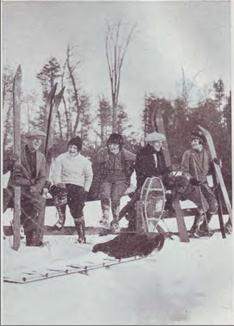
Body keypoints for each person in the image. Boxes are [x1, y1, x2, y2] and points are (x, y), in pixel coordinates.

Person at [3, 130, 47, 246]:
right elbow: (3, 169)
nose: (38, 141)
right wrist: (9, 162)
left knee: (39, 202)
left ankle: (33, 237)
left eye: (40, 139)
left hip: (31, 190)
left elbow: (42, 177)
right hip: (15, 188)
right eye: (35, 139)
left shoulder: (41, 157)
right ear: (28, 140)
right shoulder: (17, 152)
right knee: (4, 197)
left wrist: (37, 188)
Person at [121, 131, 171, 231]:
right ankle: (137, 224)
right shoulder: (143, 154)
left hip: (158, 183)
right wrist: (159, 174)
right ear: (151, 143)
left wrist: (167, 171)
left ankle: (156, 220)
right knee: (140, 202)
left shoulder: (160, 154)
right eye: (157, 142)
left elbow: (161, 169)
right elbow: (146, 171)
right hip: (145, 184)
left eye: (161, 142)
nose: (160, 145)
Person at [51, 136, 93, 243]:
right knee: (59, 194)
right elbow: (56, 173)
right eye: (70, 147)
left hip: (77, 185)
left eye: (74, 148)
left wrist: (86, 190)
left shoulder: (84, 161)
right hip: (63, 184)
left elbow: (89, 176)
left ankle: (81, 235)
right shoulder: (61, 158)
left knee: (77, 207)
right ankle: (61, 218)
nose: (72, 150)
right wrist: (58, 182)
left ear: (78, 150)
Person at [180, 129, 218, 236]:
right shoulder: (188, 154)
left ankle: (204, 227)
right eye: (192, 141)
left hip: (203, 184)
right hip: (191, 186)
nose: (192, 143)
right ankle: (194, 229)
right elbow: (184, 171)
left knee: (213, 205)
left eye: (195, 141)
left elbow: (211, 168)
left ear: (201, 142)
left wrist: (218, 164)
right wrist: (191, 179)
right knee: (204, 205)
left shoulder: (207, 153)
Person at [96, 133, 136, 233]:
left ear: (119, 145)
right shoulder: (103, 153)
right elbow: (96, 165)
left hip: (121, 179)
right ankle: (105, 216)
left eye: (115, 144)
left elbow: (137, 160)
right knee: (105, 193)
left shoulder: (125, 154)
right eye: (110, 144)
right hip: (107, 178)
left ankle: (115, 221)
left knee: (115, 197)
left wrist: (132, 183)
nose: (112, 147)